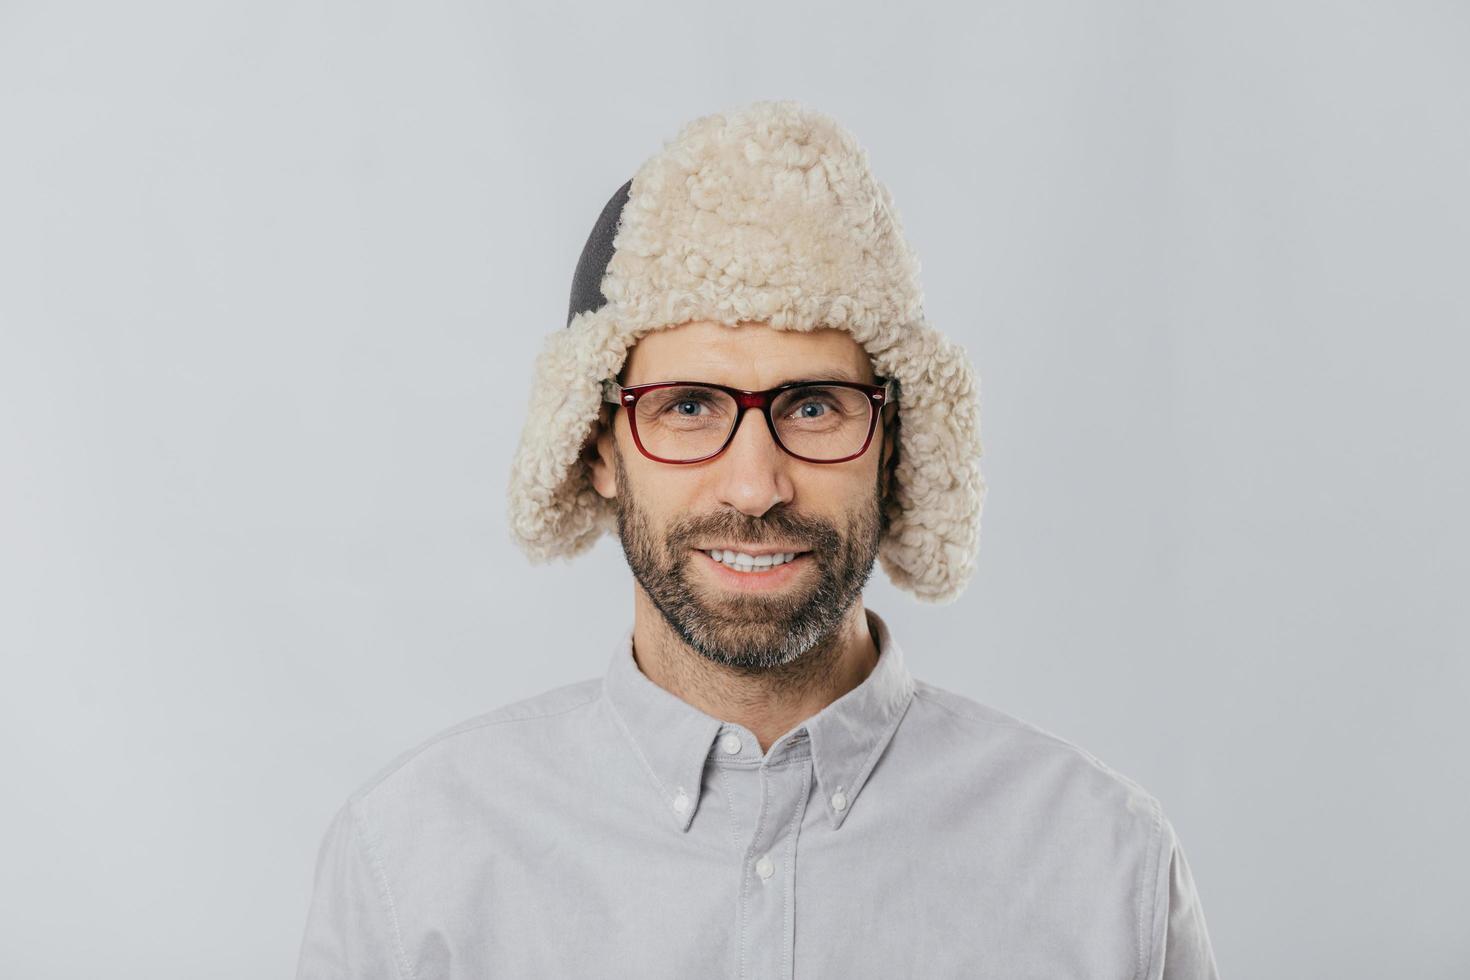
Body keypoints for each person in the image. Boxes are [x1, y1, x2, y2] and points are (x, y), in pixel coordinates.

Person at [293, 99, 1221, 979]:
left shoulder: (1105, 869)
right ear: (598, 447)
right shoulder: (411, 866)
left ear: (893, 442)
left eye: (814, 405)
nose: (755, 485)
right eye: (688, 406)